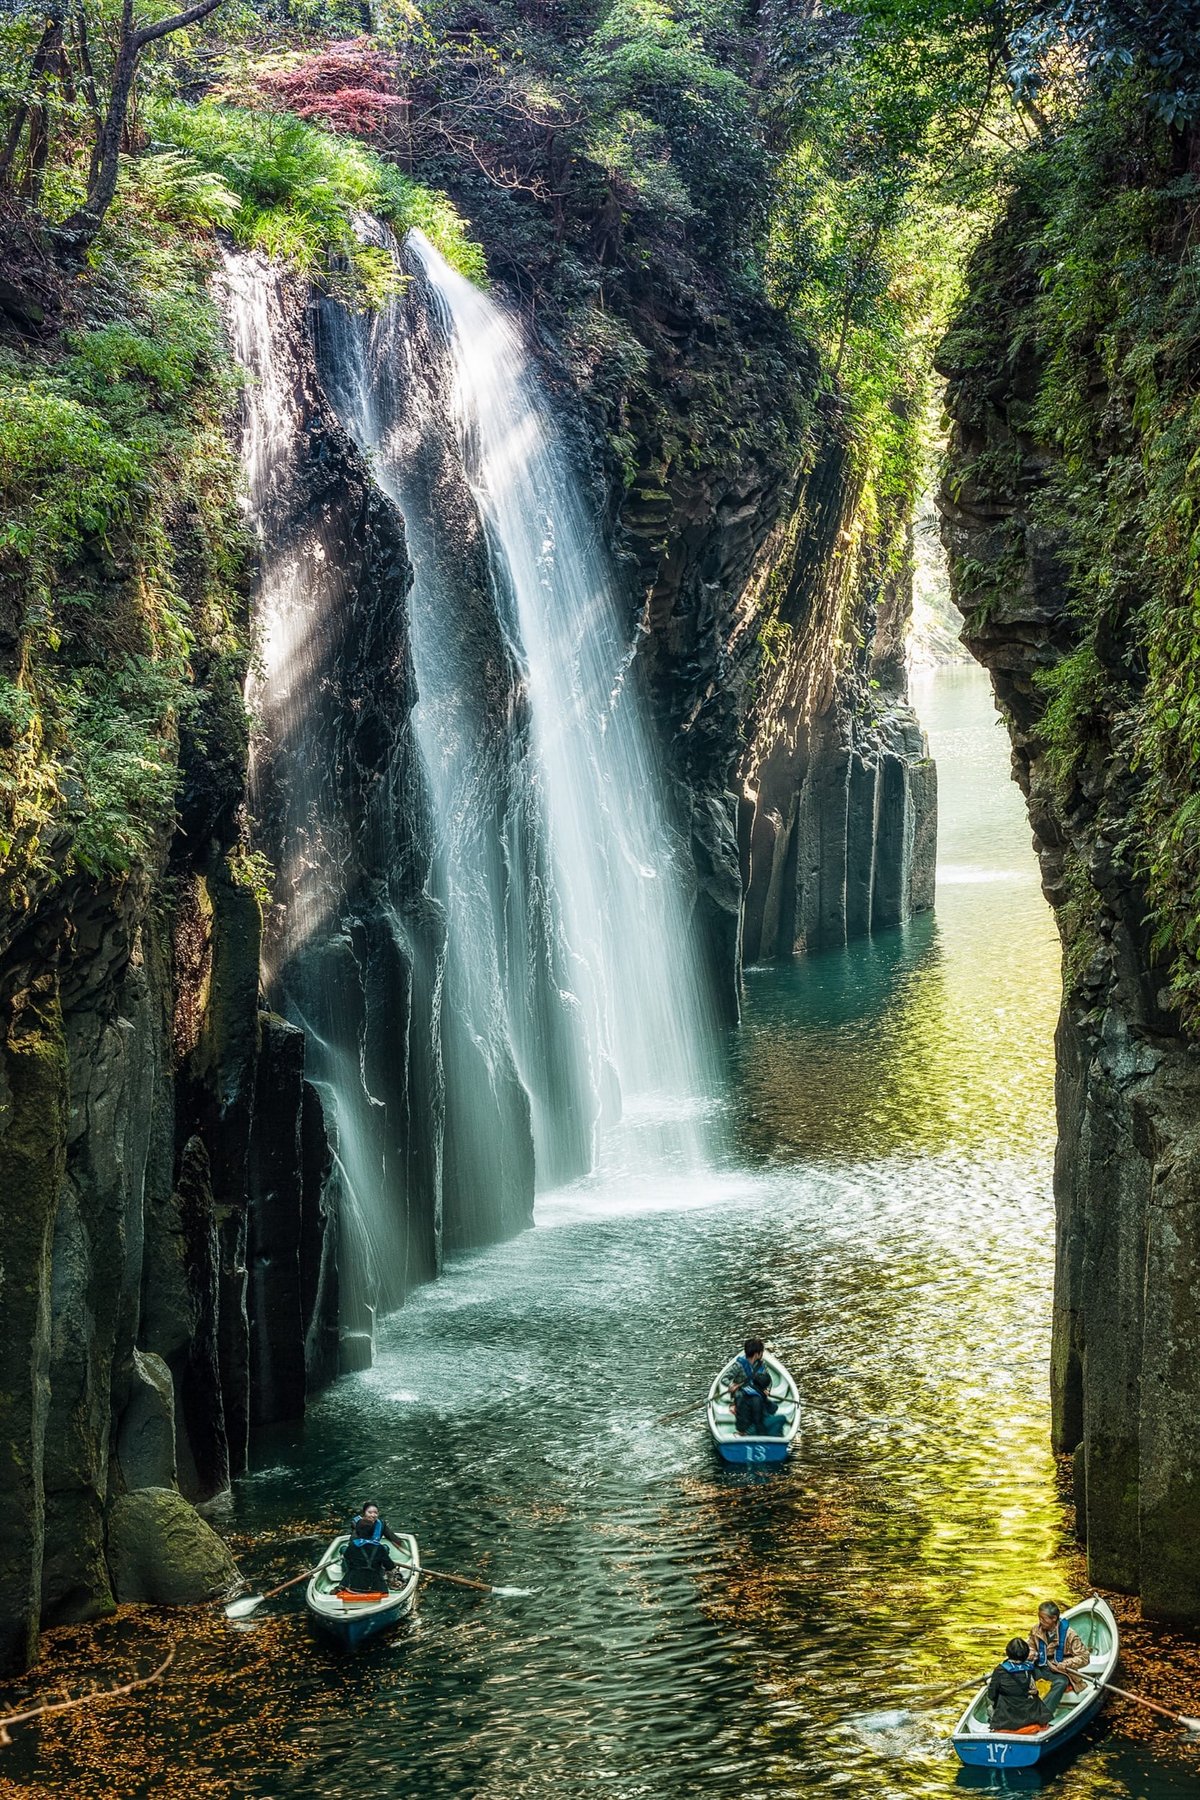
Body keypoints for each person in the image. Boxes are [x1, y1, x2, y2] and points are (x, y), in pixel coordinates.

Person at [1027, 1600, 1089, 1713]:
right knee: (1021, 1673)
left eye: (1043, 1619)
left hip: (1060, 1671)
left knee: (1061, 1683)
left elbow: (1084, 1657)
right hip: (1040, 1667)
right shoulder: (1036, 1630)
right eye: (1039, 1618)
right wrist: (1031, 1653)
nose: (1040, 1621)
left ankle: (1043, 1713)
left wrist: (1066, 1664)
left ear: (1054, 1618)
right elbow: (1030, 1646)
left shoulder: (1070, 1635)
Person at [987, 1637, 1054, 1732]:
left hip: (1007, 1714)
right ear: (1026, 1654)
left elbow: (992, 1694)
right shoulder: (1030, 1668)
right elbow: (1033, 1687)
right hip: (1030, 1712)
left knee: (990, 1704)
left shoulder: (1000, 1670)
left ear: (1008, 1652)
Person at [342, 1500, 404, 1593]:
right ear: (364, 1513)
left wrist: (401, 1544)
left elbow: (392, 1537)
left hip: (370, 1552)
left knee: (347, 1551)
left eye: (375, 1512)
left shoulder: (381, 1524)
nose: (373, 1515)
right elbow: (353, 1540)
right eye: (370, 1512)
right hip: (366, 1551)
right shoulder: (357, 1523)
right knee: (345, 1549)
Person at [734, 1368, 787, 1437]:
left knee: (769, 1416)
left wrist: (764, 1397)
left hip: (740, 1427)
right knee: (781, 1418)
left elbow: (773, 1409)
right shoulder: (756, 1399)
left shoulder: (743, 1391)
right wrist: (763, 1436)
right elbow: (758, 1421)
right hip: (748, 1430)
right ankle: (774, 1438)